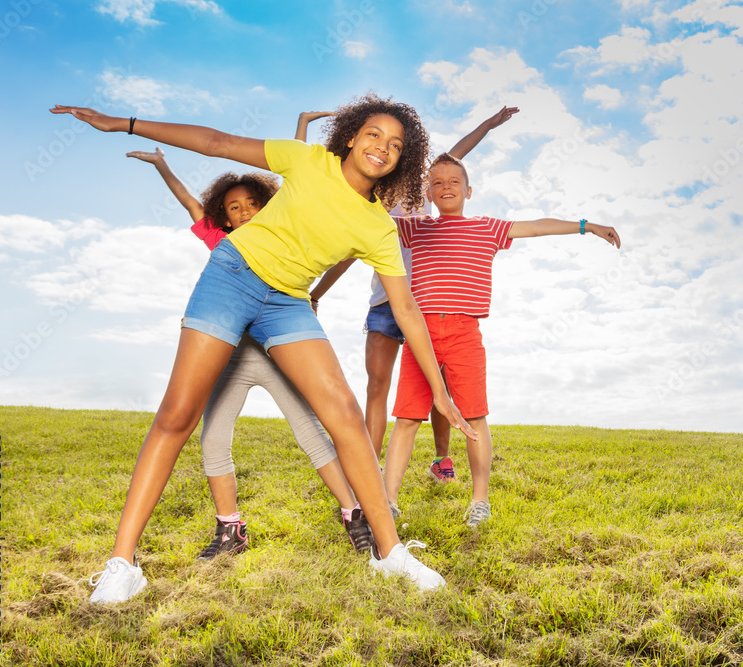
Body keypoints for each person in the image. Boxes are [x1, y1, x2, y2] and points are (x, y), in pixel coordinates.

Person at [51, 93, 476, 604]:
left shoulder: (377, 225)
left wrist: (439, 391)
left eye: (395, 144)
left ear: (401, 160)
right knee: (178, 414)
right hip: (232, 276)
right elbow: (216, 142)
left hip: (288, 302)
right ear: (348, 138)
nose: (382, 147)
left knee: (342, 412)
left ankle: (390, 555)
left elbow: (406, 311)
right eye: (373, 135)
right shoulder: (308, 161)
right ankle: (123, 565)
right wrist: (125, 123)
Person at [126, 123, 373, 559]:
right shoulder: (223, 244)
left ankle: (353, 512)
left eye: (252, 205)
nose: (243, 213)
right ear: (224, 216)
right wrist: (163, 165)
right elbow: (189, 202)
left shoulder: (291, 239)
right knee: (212, 438)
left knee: (312, 432)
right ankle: (230, 529)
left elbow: (288, 183)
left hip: (278, 353)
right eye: (234, 208)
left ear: (269, 207)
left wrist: (315, 296)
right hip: (232, 357)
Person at [382, 152, 621, 528]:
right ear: (427, 190)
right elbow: (367, 220)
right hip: (421, 333)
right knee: (407, 417)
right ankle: (388, 501)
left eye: (454, 181)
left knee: (475, 417)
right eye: (437, 182)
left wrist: (586, 226)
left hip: (464, 334)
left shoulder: (486, 227)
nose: (446, 187)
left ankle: (480, 501)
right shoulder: (415, 228)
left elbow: (537, 227)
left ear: (469, 190)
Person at [309, 107, 519, 493]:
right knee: (381, 386)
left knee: (442, 384)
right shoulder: (371, 203)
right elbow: (346, 257)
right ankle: (370, 472)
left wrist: (488, 125)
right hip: (387, 304)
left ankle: (442, 458)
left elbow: (456, 155)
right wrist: (316, 293)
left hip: (433, 302)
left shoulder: (423, 192)